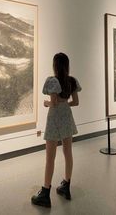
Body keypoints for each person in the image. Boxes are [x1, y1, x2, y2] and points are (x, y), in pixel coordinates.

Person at [31, 52, 81, 208]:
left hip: (54, 119)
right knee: (68, 153)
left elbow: (52, 103)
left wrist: (46, 103)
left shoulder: (52, 81)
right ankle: (66, 185)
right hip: (66, 116)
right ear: (67, 65)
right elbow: (76, 102)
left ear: (55, 65)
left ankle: (45, 192)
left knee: (50, 157)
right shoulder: (72, 81)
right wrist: (64, 103)